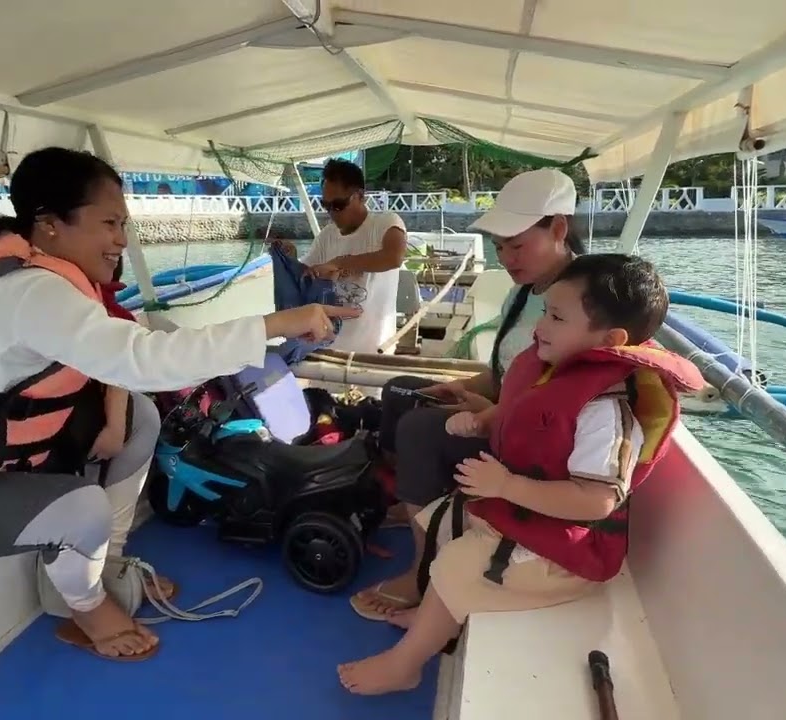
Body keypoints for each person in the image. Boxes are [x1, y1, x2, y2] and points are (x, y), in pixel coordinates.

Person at [0, 147, 358, 675]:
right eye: (110, 223)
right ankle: (83, 610)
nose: (122, 240)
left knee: (139, 419)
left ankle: (105, 566)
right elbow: (146, 360)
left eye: (123, 224)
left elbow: (119, 359)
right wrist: (279, 323)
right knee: (84, 506)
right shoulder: (27, 293)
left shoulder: (37, 277)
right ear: (49, 224)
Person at [338, 253, 703, 695]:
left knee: (458, 564)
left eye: (556, 317)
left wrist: (506, 485)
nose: (540, 326)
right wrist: (482, 422)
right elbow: (522, 411)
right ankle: (434, 616)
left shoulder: (605, 411)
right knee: (445, 519)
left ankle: (405, 664)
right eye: (545, 311)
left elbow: (597, 501)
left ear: (610, 340)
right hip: (530, 517)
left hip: (567, 555)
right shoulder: (556, 370)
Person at [354, 168, 584, 618]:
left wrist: (489, 412)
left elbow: (560, 398)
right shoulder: (524, 293)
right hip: (505, 411)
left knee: (419, 429)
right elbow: (506, 372)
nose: (507, 258)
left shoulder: (576, 302)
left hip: (539, 441)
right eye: (500, 247)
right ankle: (410, 501)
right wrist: (462, 389)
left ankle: (422, 569)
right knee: (402, 391)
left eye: (517, 245)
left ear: (558, 228)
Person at [275, 158, 407, 353]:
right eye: (325, 205)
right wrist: (290, 257)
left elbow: (393, 258)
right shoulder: (326, 236)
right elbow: (306, 274)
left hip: (374, 353)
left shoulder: (386, 223)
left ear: (360, 196)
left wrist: (339, 263)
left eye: (338, 205)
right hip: (329, 350)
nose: (331, 212)